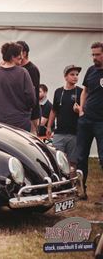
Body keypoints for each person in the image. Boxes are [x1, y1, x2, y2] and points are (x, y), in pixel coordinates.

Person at [0, 42, 35, 131]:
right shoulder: (23, 72)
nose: (22, 57)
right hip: (21, 121)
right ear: (13, 57)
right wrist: (26, 110)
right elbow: (31, 97)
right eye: (20, 55)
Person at [76, 42, 103, 202]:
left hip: (101, 122)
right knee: (81, 157)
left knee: (102, 158)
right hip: (86, 120)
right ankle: (81, 190)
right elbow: (85, 90)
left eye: (97, 54)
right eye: (92, 55)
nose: (94, 57)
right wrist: (81, 110)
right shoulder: (91, 71)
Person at [46, 65, 82, 171]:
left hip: (75, 133)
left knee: (72, 162)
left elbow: (86, 111)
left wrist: (79, 110)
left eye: (77, 75)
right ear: (65, 77)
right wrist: (49, 127)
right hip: (59, 133)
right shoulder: (58, 92)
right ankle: (60, 185)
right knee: (57, 161)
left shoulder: (81, 92)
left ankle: (72, 185)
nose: (75, 77)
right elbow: (54, 110)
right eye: (72, 74)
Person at [17, 41, 41, 135]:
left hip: (31, 113)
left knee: (31, 137)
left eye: (17, 51)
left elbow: (33, 93)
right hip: (20, 112)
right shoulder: (17, 68)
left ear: (24, 53)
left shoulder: (32, 69)